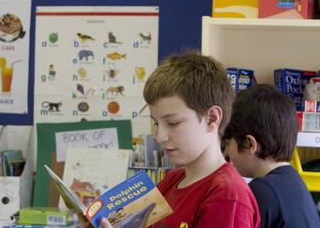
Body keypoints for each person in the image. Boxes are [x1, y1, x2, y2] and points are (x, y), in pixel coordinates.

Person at [86, 51, 260, 228]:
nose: (160, 136)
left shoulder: (227, 197)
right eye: (156, 123)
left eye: (173, 123)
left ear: (212, 119)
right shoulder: (172, 180)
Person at [222, 84, 320, 228]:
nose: (227, 153)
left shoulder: (263, 191)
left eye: (228, 143)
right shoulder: (292, 181)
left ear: (250, 144)